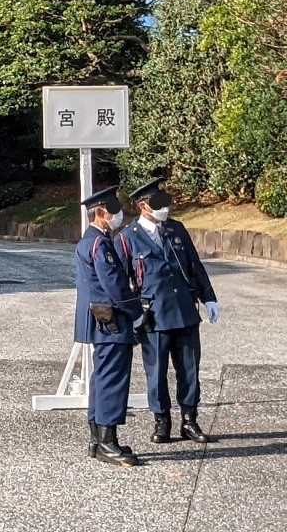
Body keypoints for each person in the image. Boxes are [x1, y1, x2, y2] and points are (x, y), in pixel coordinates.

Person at [115, 178, 219, 444]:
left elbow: (194, 265)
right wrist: (132, 313)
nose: (164, 209)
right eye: (158, 204)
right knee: (156, 372)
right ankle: (162, 421)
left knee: (189, 370)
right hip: (154, 316)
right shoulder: (128, 238)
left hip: (184, 311)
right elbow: (119, 281)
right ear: (142, 206)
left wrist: (209, 298)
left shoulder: (175, 229)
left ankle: (189, 420)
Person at [74, 185, 143, 467]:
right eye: (114, 210)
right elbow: (115, 286)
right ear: (100, 212)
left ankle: (97, 439)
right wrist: (137, 312)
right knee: (113, 380)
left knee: (101, 378)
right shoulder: (101, 244)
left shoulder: (87, 241)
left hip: (98, 320)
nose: (119, 215)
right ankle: (108, 442)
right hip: (111, 321)